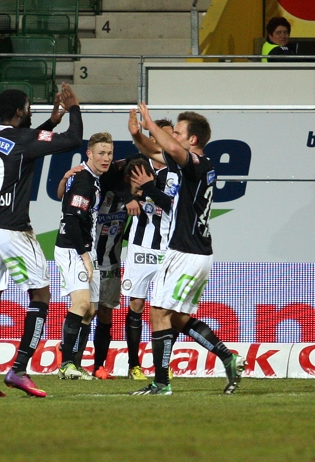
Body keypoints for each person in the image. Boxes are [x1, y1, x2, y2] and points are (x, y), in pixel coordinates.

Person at [0, 84, 82, 398]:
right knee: (41, 295)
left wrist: (49, 123)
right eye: (29, 107)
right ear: (20, 111)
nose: (30, 110)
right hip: (11, 229)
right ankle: (18, 369)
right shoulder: (22, 138)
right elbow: (72, 140)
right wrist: (72, 108)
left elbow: (22, 142)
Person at [128, 105, 246, 395]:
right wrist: (136, 134)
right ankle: (228, 358)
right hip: (199, 253)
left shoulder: (195, 162)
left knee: (158, 312)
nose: (173, 136)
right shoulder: (194, 166)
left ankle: (161, 383)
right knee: (178, 318)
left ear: (192, 140)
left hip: (184, 252)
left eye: (179, 132)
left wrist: (151, 125)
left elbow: (166, 146)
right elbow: (155, 151)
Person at [122, 119, 179, 381]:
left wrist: (146, 189)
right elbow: (113, 179)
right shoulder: (136, 163)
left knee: (169, 310)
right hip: (140, 247)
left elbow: (169, 205)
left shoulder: (177, 172)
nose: (165, 143)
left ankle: (161, 366)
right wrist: (128, 196)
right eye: (159, 138)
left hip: (167, 249)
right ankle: (134, 365)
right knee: (136, 304)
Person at [55, 132, 113, 380]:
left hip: (86, 247)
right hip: (73, 247)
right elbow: (71, 217)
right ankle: (66, 362)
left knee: (90, 310)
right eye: (101, 153)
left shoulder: (87, 177)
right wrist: (85, 256)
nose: (106, 158)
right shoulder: (84, 182)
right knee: (80, 304)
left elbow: (62, 197)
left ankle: (74, 363)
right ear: (89, 153)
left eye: (109, 153)